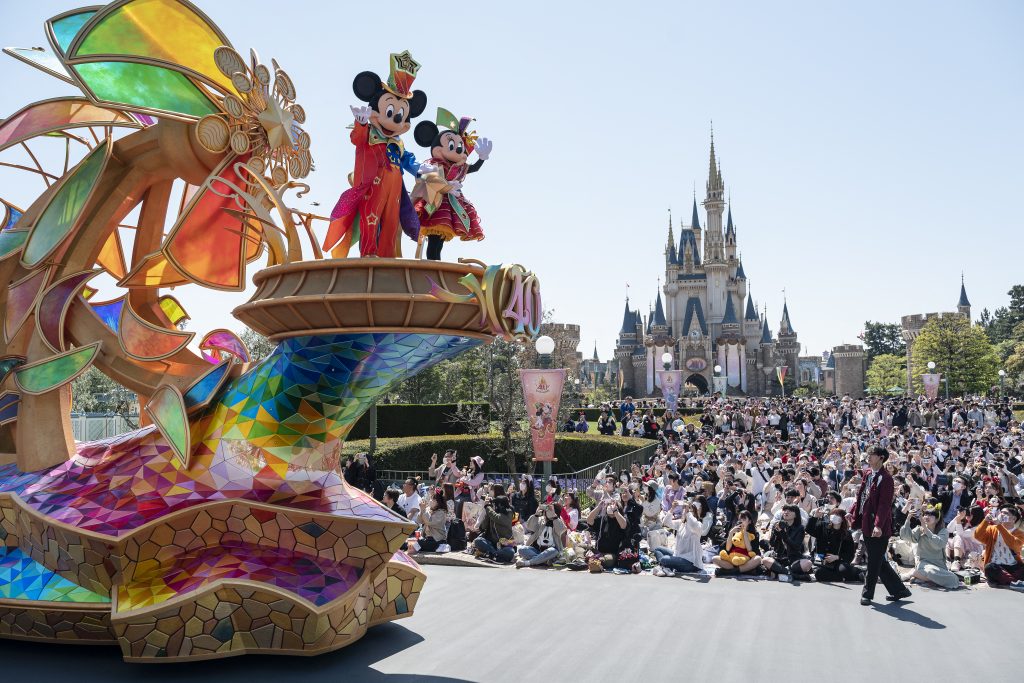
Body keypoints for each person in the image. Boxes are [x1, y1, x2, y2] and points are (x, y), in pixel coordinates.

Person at [851, 446, 911, 605]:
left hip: (879, 527)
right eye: (868, 454)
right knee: (878, 560)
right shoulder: (868, 474)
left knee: (873, 562)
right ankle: (900, 590)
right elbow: (862, 497)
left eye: (872, 455)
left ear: (881, 457)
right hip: (866, 523)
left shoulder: (887, 479)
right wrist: (853, 512)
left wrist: (878, 525)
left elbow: (884, 505)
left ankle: (867, 594)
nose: (868, 457)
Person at [898, 502, 959, 589]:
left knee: (953, 579)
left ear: (937, 519)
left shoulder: (943, 531)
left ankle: (919, 576)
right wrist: (908, 519)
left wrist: (926, 530)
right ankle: (914, 573)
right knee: (930, 571)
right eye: (925, 514)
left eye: (930, 515)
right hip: (924, 564)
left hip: (939, 564)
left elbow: (939, 544)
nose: (926, 517)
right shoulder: (920, 529)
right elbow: (905, 537)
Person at [806, 500, 859, 582]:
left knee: (844, 570)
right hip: (822, 560)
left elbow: (850, 554)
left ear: (842, 519)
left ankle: (857, 574)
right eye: (833, 514)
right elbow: (809, 530)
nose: (834, 516)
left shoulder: (846, 534)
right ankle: (842, 578)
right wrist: (814, 517)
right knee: (819, 573)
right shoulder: (822, 526)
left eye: (837, 515)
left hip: (838, 561)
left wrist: (837, 557)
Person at [974, 504, 1024, 586]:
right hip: (996, 565)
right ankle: (1013, 582)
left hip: (1013, 566)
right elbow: (977, 536)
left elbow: (1013, 544)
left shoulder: (1020, 533)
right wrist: (985, 521)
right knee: (989, 568)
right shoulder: (992, 528)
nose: (1001, 514)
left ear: (1014, 518)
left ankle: (1007, 579)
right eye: (1001, 512)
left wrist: (1000, 526)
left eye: (1005, 513)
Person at [653, 500, 705, 575]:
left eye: (687, 511)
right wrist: (672, 508)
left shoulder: (698, 526)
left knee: (664, 559)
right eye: (684, 510)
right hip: (678, 556)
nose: (684, 512)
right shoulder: (681, 523)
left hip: (691, 563)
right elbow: (666, 522)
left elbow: (693, 524)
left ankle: (663, 567)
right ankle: (666, 568)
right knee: (658, 549)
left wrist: (688, 513)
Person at [763, 504, 812, 581]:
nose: (786, 512)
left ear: (796, 515)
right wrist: (776, 533)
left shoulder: (800, 528)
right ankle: (793, 575)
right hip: (779, 558)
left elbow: (796, 546)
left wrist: (783, 534)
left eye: (790, 510)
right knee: (765, 560)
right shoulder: (777, 525)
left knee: (808, 563)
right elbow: (772, 544)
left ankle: (780, 573)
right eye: (785, 510)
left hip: (793, 559)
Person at [516, 503, 567, 569]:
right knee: (521, 549)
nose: (547, 512)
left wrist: (554, 516)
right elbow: (530, 526)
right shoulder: (541, 520)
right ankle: (544, 560)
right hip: (537, 550)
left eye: (550, 509)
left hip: (551, 551)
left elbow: (561, 529)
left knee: (553, 551)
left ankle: (528, 563)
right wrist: (536, 515)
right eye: (547, 510)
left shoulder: (558, 520)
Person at [711, 510, 762, 576]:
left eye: (744, 519)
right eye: (740, 519)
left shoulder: (754, 534)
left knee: (758, 559)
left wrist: (745, 534)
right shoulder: (735, 531)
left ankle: (732, 571)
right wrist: (731, 533)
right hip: (733, 560)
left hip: (746, 560)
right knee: (714, 559)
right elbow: (728, 548)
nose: (741, 521)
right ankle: (743, 570)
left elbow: (750, 550)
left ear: (749, 521)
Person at [473, 494, 516, 563]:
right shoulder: (492, 512)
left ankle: (490, 554)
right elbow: (483, 526)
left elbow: (497, 518)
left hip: (506, 542)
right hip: (493, 543)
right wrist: (487, 513)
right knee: (478, 541)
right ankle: (495, 554)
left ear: (500, 505)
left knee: (510, 552)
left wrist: (488, 507)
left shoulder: (509, 512)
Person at [408, 490, 447, 555]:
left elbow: (429, 522)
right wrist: (422, 510)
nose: (430, 500)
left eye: (432, 499)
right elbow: (419, 521)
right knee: (410, 543)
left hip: (437, 540)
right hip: (427, 538)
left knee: (414, 545)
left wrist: (424, 510)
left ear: (437, 502)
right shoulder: (429, 509)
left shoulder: (441, 512)